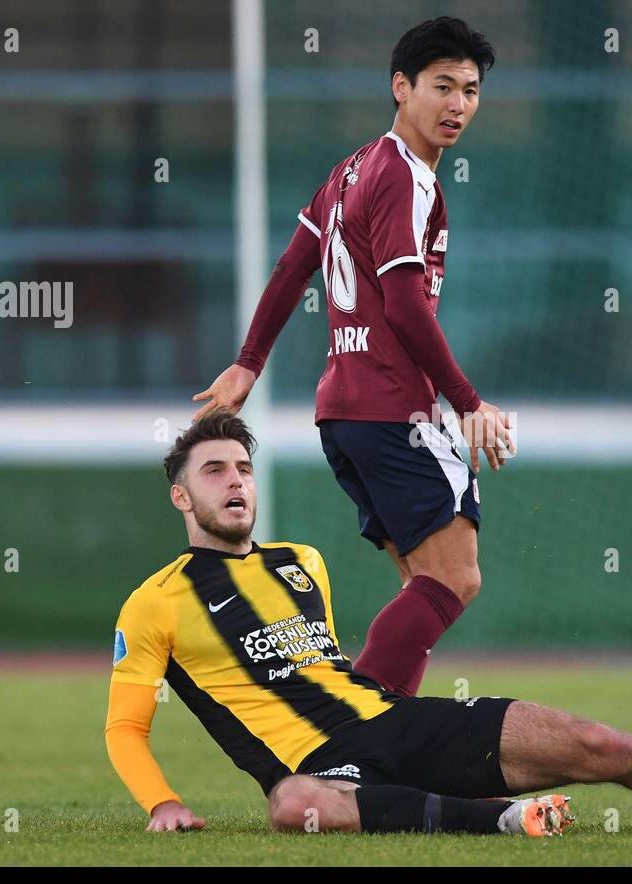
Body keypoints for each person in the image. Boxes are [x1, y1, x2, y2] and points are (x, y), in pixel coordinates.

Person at [104, 412, 632, 837]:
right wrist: (161, 802)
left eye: (242, 468)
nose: (234, 482)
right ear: (182, 498)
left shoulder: (301, 560)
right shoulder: (155, 600)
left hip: (392, 724)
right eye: (215, 472)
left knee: (598, 744)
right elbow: (125, 729)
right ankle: (504, 822)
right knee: (293, 808)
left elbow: (336, 671)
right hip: (316, 768)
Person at [190, 17, 511, 697]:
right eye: (442, 86)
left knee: (422, 586)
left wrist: (250, 362)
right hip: (393, 409)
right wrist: (470, 402)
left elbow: (291, 266)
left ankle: (387, 754)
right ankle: (349, 738)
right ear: (402, 87)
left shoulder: (350, 170)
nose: (458, 105)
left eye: (471, 90)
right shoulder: (404, 176)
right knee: (456, 577)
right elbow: (402, 304)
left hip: (344, 411)